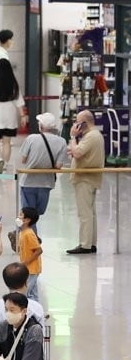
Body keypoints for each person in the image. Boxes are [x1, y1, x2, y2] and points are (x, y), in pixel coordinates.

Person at [67, 109, 105, 255]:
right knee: (90, 213)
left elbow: (77, 153)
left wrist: (72, 136)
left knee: (85, 213)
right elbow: (79, 152)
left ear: (85, 123)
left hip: (85, 178)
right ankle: (91, 243)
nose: (76, 124)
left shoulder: (91, 136)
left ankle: (85, 244)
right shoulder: (94, 135)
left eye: (77, 122)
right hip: (90, 178)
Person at [19, 112, 66, 224]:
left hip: (28, 182)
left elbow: (23, 160)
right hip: (46, 184)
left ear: (41, 126)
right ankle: (33, 238)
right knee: (36, 214)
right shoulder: (62, 141)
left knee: (28, 216)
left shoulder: (31, 138)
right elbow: (58, 166)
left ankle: (31, 239)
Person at [0, 263, 45, 340]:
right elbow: (40, 337)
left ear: (6, 283)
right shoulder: (36, 308)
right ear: (26, 282)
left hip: (0, 351)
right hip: (29, 351)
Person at [0, 59, 27, 172]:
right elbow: (19, 102)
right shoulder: (13, 83)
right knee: (6, 142)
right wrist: (23, 116)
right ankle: (4, 165)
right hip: (10, 117)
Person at [16, 207, 42, 301]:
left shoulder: (28, 234)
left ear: (27, 220)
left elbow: (39, 250)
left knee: (25, 291)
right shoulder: (22, 232)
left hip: (31, 269)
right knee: (33, 293)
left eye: (20, 215)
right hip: (28, 268)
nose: (18, 217)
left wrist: (26, 262)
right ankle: (38, 312)